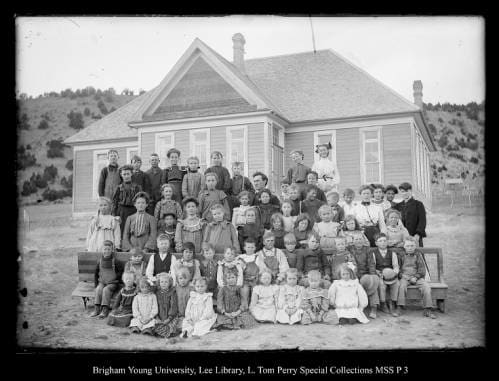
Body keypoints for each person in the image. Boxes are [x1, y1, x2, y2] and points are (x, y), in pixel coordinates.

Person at [397, 237, 436, 318]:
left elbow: (422, 270)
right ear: (404, 246)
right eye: (408, 246)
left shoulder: (417, 255)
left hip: (417, 277)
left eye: (412, 246)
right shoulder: (401, 255)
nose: (410, 248)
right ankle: (400, 307)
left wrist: (416, 277)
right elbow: (398, 269)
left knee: (426, 287)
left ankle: (428, 308)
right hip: (405, 277)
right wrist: (404, 276)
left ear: (415, 246)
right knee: (401, 286)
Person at [348, 233, 380, 319]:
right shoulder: (350, 249)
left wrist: (372, 275)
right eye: (356, 239)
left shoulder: (368, 250)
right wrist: (354, 276)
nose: (358, 241)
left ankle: (374, 307)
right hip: (354, 274)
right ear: (353, 241)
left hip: (366, 274)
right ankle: (356, 308)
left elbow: (371, 264)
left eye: (360, 239)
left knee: (372, 283)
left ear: (363, 240)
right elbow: (350, 264)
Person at [90, 240, 123, 318]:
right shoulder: (100, 261)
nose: (107, 251)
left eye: (109, 249)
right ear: (102, 250)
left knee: (106, 290)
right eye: (105, 249)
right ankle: (97, 309)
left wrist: (116, 279)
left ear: (112, 250)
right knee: (98, 289)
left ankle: (105, 310)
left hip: (112, 283)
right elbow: (96, 273)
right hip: (102, 282)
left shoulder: (115, 261)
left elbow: (121, 271)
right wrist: (96, 284)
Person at [372, 233, 400, 316]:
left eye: (384, 240)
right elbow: (373, 266)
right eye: (380, 241)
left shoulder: (392, 253)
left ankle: (392, 302)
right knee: (381, 285)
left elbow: (396, 266)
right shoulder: (374, 253)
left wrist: (394, 273)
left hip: (391, 275)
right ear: (376, 243)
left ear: (387, 242)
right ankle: (383, 303)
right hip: (380, 275)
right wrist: (378, 273)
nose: (383, 243)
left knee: (397, 283)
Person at [112, 165, 142, 236]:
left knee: (133, 230)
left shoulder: (137, 187)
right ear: (121, 175)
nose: (126, 176)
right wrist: (114, 215)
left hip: (134, 211)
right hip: (122, 212)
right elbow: (114, 203)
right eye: (124, 174)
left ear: (131, 174)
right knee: (122, 231)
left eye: (128, 174)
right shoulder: (118, 188)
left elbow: (141, 201)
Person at [394, 182, 427, 247]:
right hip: (401, 237)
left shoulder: (418, 204)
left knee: (417, 255)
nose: (405, 193)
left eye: (407, 191)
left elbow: (422, 221)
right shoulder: (398, 206)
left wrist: (418, 235)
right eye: (403, 191)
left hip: (414, 236)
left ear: (411, 191)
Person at [153, 272, 179, 338]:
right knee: (155, 325)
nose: (163, 284)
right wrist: (157, 317)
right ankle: (161, 332)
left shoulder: (172, 292)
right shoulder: (157, 293)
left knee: (172, 326)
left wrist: (169, 318)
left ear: (169, 283)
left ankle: (168, 332)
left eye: (166, 282)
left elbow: (173, 306)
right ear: (159, 283)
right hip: (159, 315)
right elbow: (155, 306)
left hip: (169, 315)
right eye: (162, 282)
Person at [238, 238, 260, 309]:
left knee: (256, 291)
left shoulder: (257, 257)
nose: (250, 249)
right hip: (245, 280)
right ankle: (244, 305)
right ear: (244, 248)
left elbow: (261, 269)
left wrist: (257, 277)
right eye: (248, 247)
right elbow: (237, 268)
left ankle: (254, 306)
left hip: (255, 280)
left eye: (252, 247)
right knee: (244, 291)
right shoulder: (241, 257)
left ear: (255, 248)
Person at [174, 266, 194, 335]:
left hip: (189, 313)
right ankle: (182, 328)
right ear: (177, 279)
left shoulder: (191, 289)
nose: (183, 280)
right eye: (180, 278)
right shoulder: (175, 289)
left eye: (185, 278)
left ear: (189, 279)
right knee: (178, 323)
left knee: (190, 323)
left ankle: (186, 330)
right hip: (179, 313)